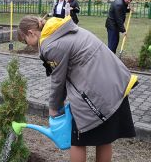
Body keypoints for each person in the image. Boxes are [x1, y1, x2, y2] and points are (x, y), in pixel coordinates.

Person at [17, 15, 138, 162]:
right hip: (114, 82)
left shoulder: (51, 45)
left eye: (25, 41)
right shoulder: (61, 30)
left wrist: (54, 108)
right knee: (105, 138)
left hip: (97, 91)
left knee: (77, 140)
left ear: (31, 32)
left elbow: (58, 80)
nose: (27, 45)